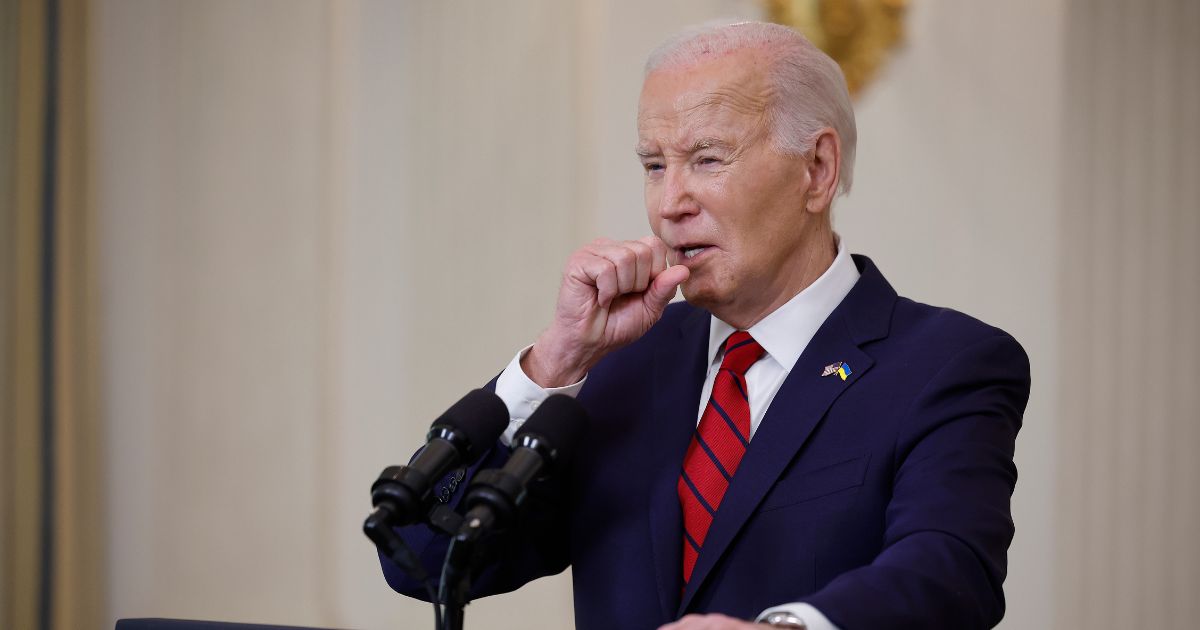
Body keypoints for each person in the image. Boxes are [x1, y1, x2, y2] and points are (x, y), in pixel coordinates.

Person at [382, 21, 1030, 630]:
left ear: (817, 170)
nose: (670, 205)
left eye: (708, 159)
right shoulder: (622, 364)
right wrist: (555, 363)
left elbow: (951, 570)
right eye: (654, 165)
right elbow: (420, 553)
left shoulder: (947, 364)